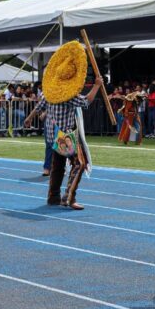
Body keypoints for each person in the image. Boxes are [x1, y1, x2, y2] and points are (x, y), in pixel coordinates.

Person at [24, 41, 104, 210]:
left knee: (57, 166)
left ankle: (53, 197)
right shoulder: (67, 95)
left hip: (52, 134)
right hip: (65, 135)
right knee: (79, 164)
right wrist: (97, 85)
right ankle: (69, 197)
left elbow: (39, 107)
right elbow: (86, 101)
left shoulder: (49, 92)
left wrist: (29, 118)